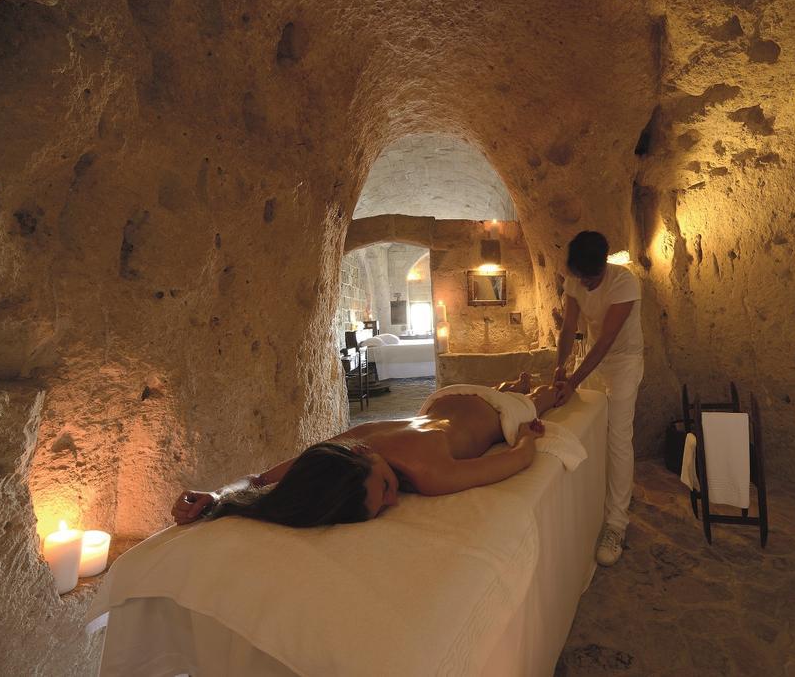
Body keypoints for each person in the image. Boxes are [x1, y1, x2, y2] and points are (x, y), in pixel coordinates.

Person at [170, 374, 557, 527]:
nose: (394, 501)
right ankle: (518, 383)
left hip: (497, 412)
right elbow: (260, 482)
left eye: (387, 486)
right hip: (449, 397)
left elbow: (519, 457)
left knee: (546, 397)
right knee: (515, 388)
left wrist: (528, 435)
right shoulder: (345, 450)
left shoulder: (429, 473)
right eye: (384, 500)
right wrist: (218, 496)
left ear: (363, 454)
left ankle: (536, 386)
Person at [553, 230, 643, 566]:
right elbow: (568, 328)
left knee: (618, 436)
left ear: (604, 265)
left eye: (592, 280)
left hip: (623, 361)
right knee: (586, 428)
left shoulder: (624, 283)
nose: (587, 286)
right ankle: (592, 507)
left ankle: (616, 523)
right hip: (590, 358)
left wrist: (573, 381)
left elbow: (607, 340)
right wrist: (560, 367)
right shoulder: (575, 282)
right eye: (581, 279)